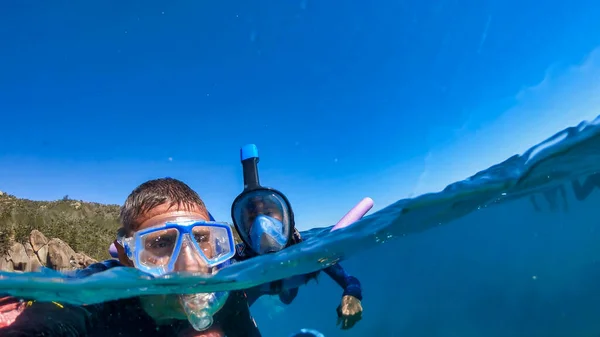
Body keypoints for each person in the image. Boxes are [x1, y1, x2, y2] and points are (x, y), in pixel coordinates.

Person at [0, 177, 260, 337]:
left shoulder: (227, 293)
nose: (191, 266)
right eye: (161, 243)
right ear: (127, 255)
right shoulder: (93, 298)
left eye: (202, 239)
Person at [230, 144, 364, 330]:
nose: (262, 224)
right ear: (243, 229)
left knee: (288, 298)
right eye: (252, 219)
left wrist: (352, 296)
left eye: (269, 213)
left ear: (287, 220)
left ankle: (284, 294)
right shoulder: (238, 259)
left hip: (289, 286)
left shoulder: (311, 252)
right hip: (258, 289)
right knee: (233, 318)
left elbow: (350, 281)